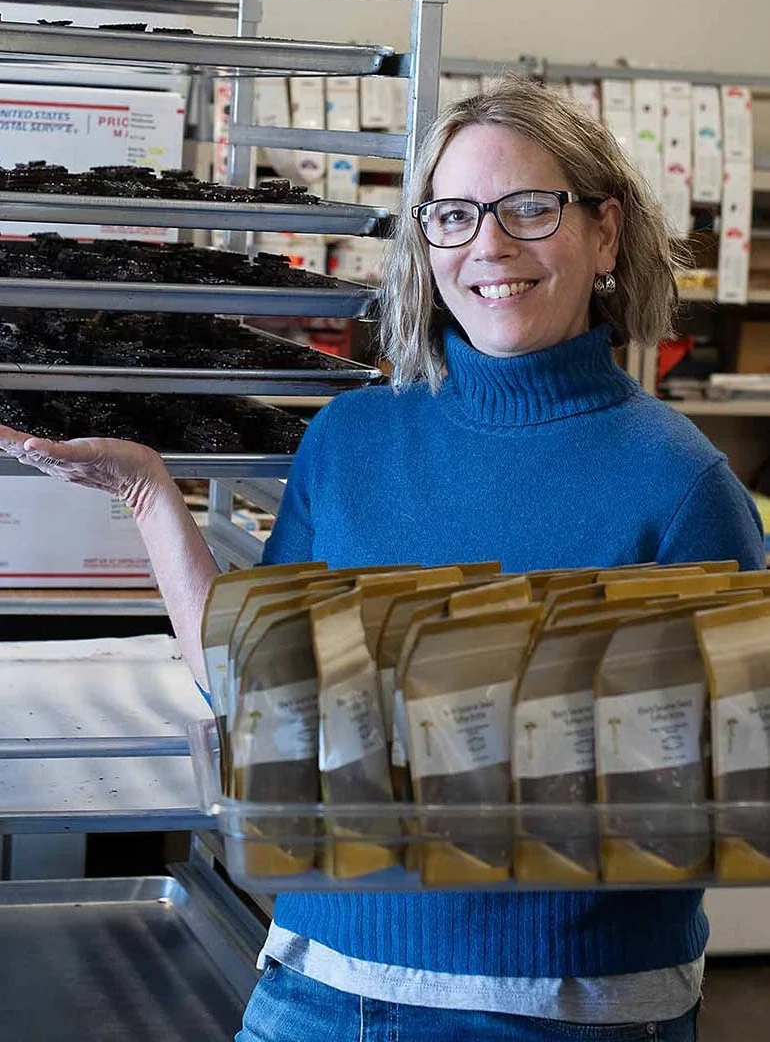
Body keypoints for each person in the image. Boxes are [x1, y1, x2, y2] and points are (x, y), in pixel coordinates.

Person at [0, 78, 764, 1042]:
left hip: (563, 1009)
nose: (489, 245)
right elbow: (249, 683)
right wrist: (149, 493)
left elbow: (726, 795)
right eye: (454, 215)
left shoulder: (679, 484)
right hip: (320, 987)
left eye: (531, 208)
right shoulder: (351, 439)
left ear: (605, 233)